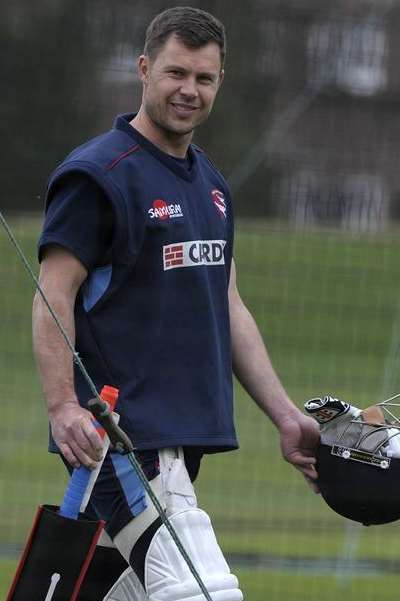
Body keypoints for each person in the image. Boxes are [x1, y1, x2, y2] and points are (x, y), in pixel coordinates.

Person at [32, 6, 320, 600]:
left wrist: (286, 416)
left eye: (205, 78)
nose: (189, 90)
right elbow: (51, 294)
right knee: (202, 591)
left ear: (219, 82)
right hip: (123, 438)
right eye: (176, 73)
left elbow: (230, 305)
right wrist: (63, 405)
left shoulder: (210, 184)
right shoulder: (98, 174)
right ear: (144, 69)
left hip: (181, 442)